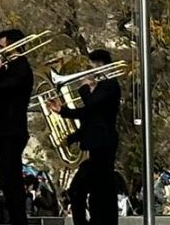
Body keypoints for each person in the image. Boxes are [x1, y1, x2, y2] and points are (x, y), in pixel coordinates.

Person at [49, 49, 121, 225]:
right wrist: (63, 112)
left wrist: (84, 87)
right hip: (96, 143)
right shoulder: (100, 87)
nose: (89, 70)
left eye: (92, 65)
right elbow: (88, 115)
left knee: (99, 189)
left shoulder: (110, 85)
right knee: (81, 190)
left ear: (100, 64)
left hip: (104, 142)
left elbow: (91, 106)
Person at [0, 27, 34, 225]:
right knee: (6, 178)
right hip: (4, 128)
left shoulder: (21, 66)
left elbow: (2, 89)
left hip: (12, 129)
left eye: (1, 45)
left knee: (11, 179)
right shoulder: (11, 66)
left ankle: (18, 219)